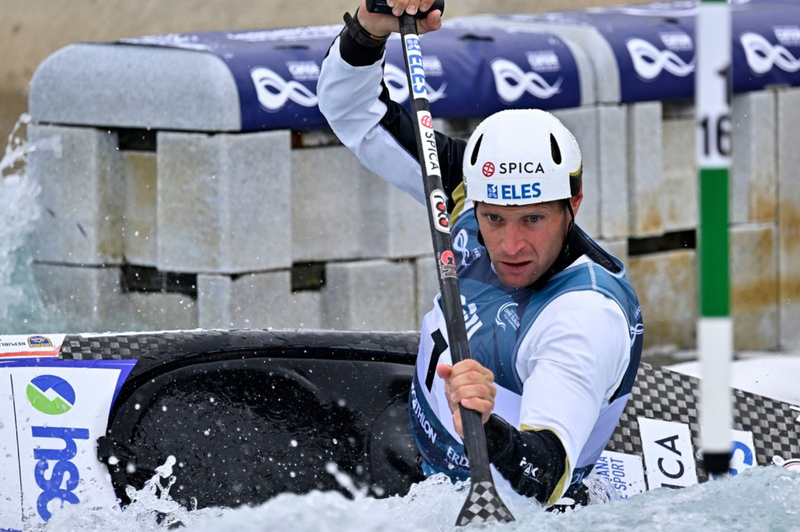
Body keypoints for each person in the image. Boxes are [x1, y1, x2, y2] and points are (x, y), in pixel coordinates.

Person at [317, 0, 644, 508]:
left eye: (533, 220)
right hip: (413, 446)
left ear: (572, 205)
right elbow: (353, 112)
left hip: (485, 502)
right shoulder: (465, 190)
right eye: (494, 220)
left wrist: (488, 425)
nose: (510, 246)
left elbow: (544, 475)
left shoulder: (584, 316)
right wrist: (369, 27)